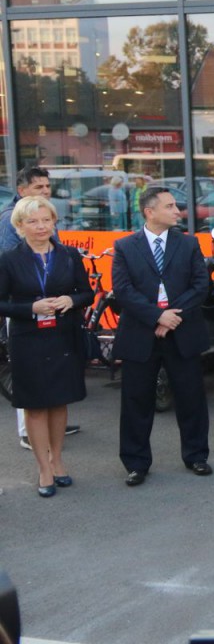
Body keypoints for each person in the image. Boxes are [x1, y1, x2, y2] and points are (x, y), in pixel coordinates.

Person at [112, 186, 212, 487]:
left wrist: (171, 317)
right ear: (149, 211)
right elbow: (123, 290)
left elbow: (200, 285)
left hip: (182, 331)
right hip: (140, 334)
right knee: (136, 401)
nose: (177, 212)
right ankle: (136, 463)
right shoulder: (125, 246)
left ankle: (196, 455)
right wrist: (156, 316)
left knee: (191, 398)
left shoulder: (189, 244)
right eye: (169, 206)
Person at [0, 197, 92, 496]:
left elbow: (87, 293)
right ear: (20, 226)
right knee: (36, 405)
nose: (41, 226)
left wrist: (71, 300)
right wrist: (31, 307)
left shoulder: (68, 255)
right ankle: (43, 468)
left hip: (63, 336)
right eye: (33, 221)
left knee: (59, 401)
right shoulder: (9, 259)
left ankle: (58, 460)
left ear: (54, 222)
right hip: (27, 338)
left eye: (46, 220)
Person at [0, 166, 80, 449]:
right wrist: (32, 305)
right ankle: (28, 432)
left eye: (47, 186)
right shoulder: (12, 219)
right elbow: (13, 269)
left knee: (54, 380)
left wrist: (67, 297)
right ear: (22, 191)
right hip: (26, 313)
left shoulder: (50, 223)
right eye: (38, 187)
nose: (46, 191)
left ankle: (51, 426)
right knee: (30, 380)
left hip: (55, 317)